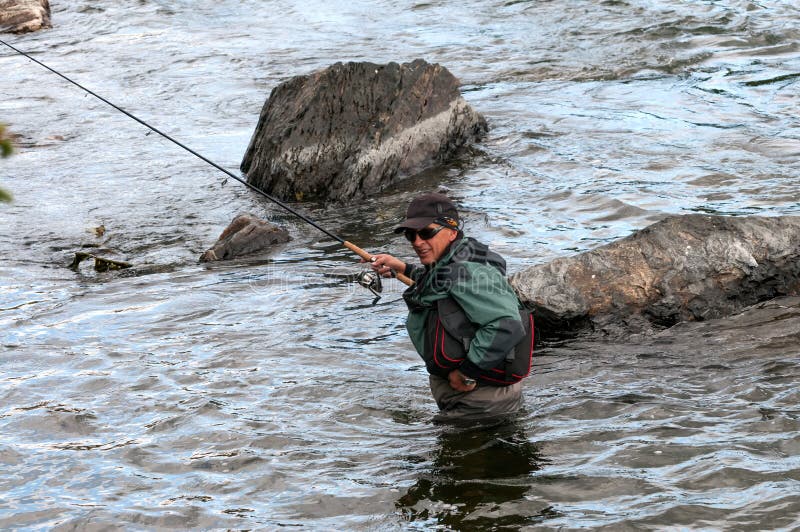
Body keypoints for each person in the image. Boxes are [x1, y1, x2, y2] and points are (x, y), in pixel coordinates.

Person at [370, 193, 531, 419]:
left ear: (452, 231)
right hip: (476, 399)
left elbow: (507, 326)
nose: (417, 242)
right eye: (410, 235)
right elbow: (446, 285)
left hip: (479, 404)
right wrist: (403, 268)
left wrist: (468, 372)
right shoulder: (457, 258)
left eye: (426, 232)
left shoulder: (472, 271)